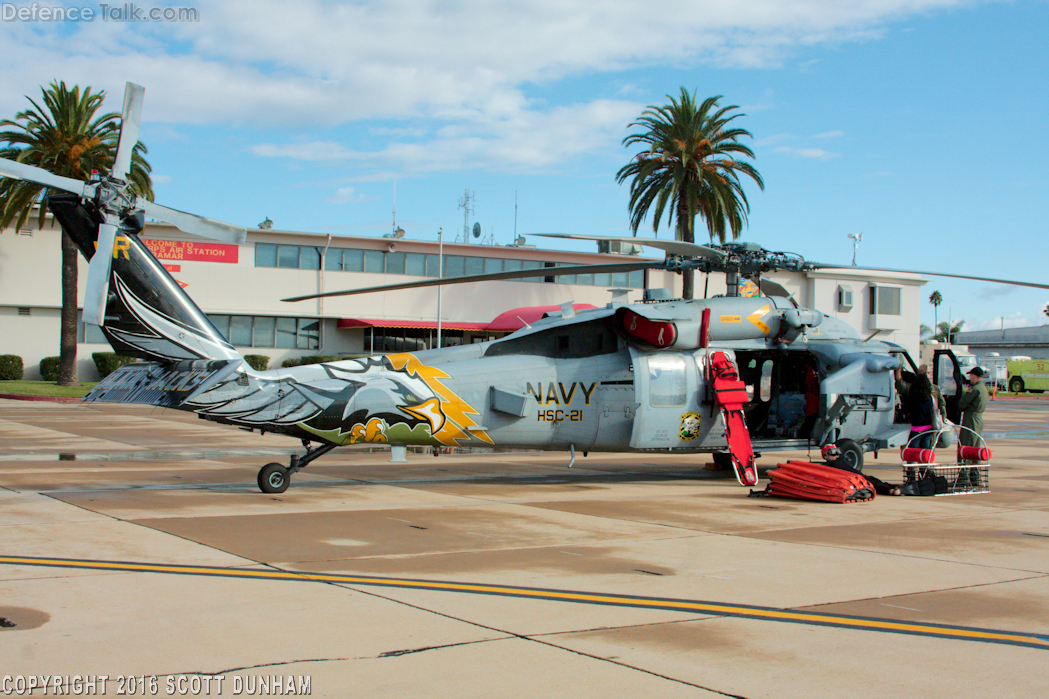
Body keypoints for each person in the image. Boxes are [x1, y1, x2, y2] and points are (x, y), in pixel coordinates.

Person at [821, 444, 901, 495]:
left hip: (859, 476)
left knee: (873, 480)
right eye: (832, 452)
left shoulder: (840, 461)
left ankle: (893, 487)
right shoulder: (831, 464)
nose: (836, 454)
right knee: (873, 484)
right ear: (826, 456)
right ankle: (890, 490)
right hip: (855, 479)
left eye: (837, 451)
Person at [902, 374, 936, 449]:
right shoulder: (930, 398)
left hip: (916, 428)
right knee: (924, 453)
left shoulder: (911, 397)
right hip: (928, 429)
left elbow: (904, 410)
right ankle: (924, 461)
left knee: (912, 453)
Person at [958, 366, 989, 447]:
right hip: (978, 420)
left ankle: (965, 460)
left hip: (971, 420)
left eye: (970, 376)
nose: (970, 378)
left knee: (966, 445)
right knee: (976, 446)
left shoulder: (974, 389)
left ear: (974, 376)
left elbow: (962, 403)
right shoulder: (983, 388)